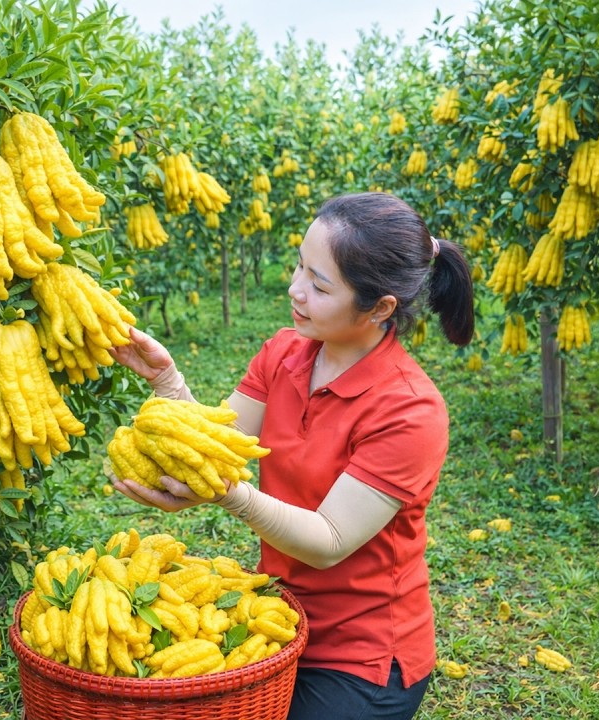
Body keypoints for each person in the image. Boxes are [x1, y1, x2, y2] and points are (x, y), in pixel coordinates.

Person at [110, 192, 475, 720]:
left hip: (360, 657)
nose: (295, 289)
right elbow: (220, 446)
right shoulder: (284, 353)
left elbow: (329, 541)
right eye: (300, 266)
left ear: (380, 307)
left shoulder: (410, 410)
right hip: (274, 613)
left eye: (320, 285)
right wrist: (168, 382)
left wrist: (229, 496)